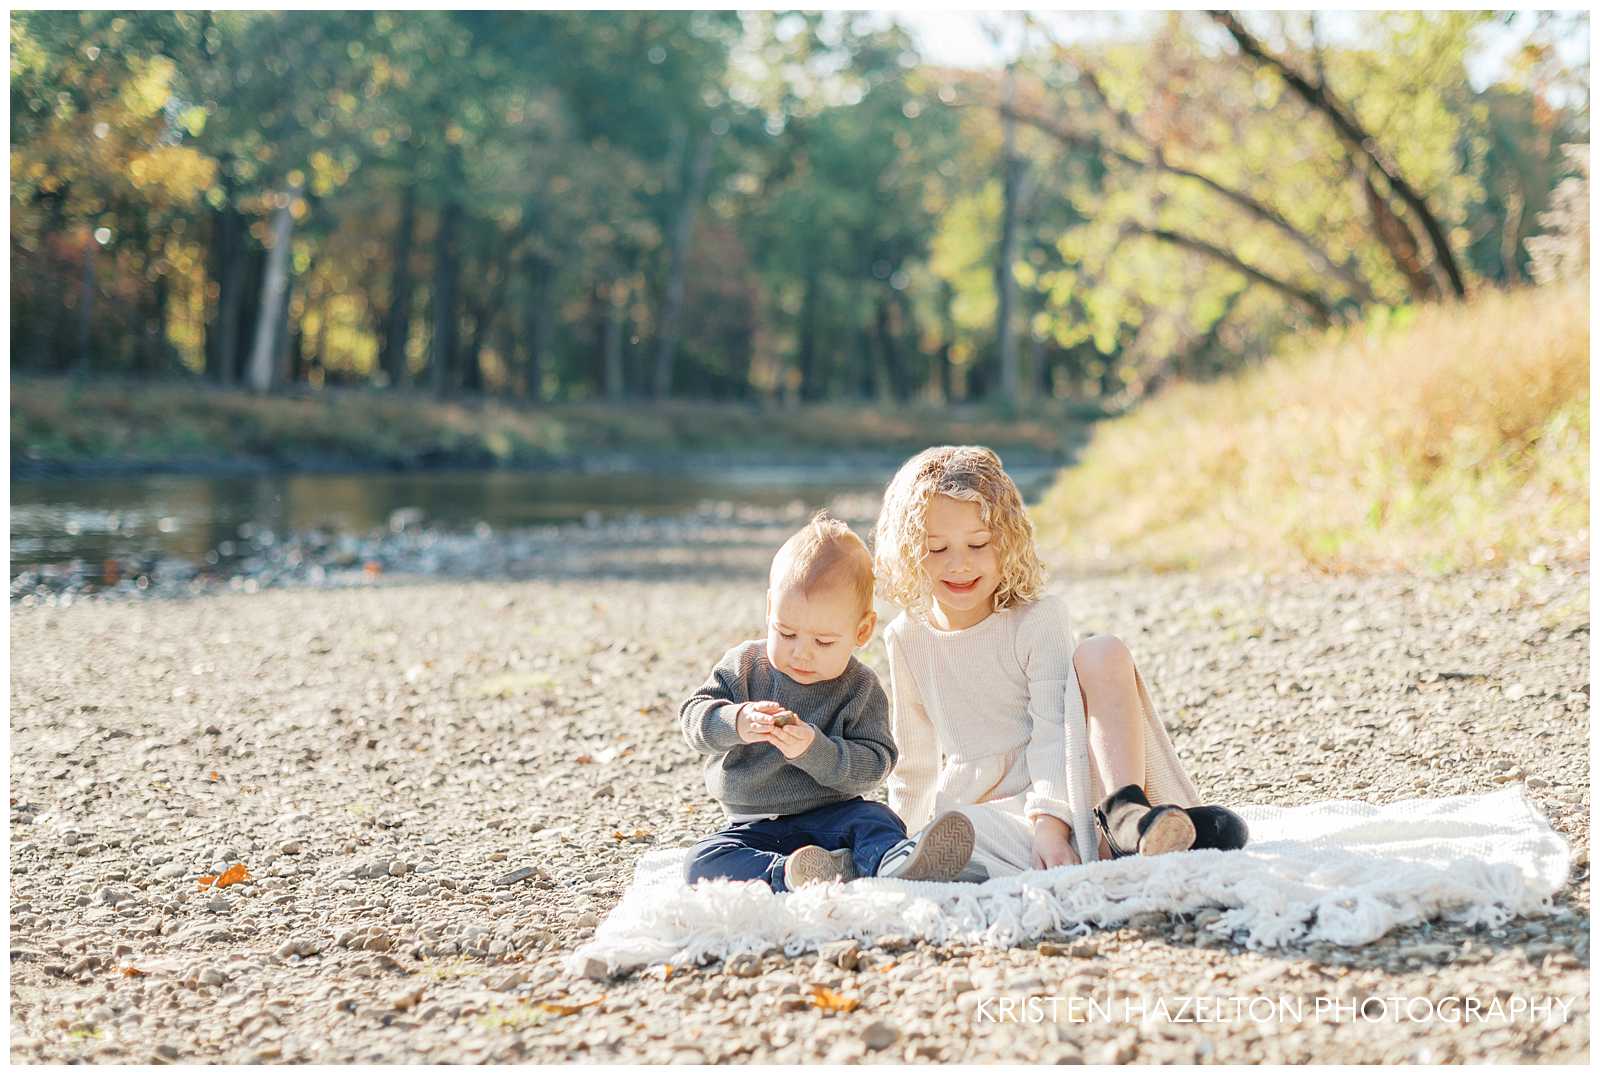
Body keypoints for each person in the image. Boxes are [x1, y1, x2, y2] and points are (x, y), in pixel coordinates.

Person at [871, 446, 1248, 881]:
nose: (959, 564)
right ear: (908, 551)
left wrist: (1050, 825)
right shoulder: (906, 637)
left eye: (978, 543)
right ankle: (909, 861)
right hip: (981, 805)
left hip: (1062, 793)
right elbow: (914, 759)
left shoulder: (1036, 620)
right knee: (956, 829)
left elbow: (1052, 728)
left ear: (1007, 541)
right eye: (936, 549)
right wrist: (900, 838)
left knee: (1102, 650)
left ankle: (1125, 821)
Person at [679, 509, 975, 891]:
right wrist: (735, 721)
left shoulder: (859, 687)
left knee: (876, 819)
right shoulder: (745, 666)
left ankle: (892, 863)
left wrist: (814, 749)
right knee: (701, 862)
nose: (802, 653)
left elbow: (875, 764)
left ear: (862, 631)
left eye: (823, 642)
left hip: (834, 815)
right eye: (786, 633)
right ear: (770, 611)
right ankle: (789, 874)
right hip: (752, 825)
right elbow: (693, 718)